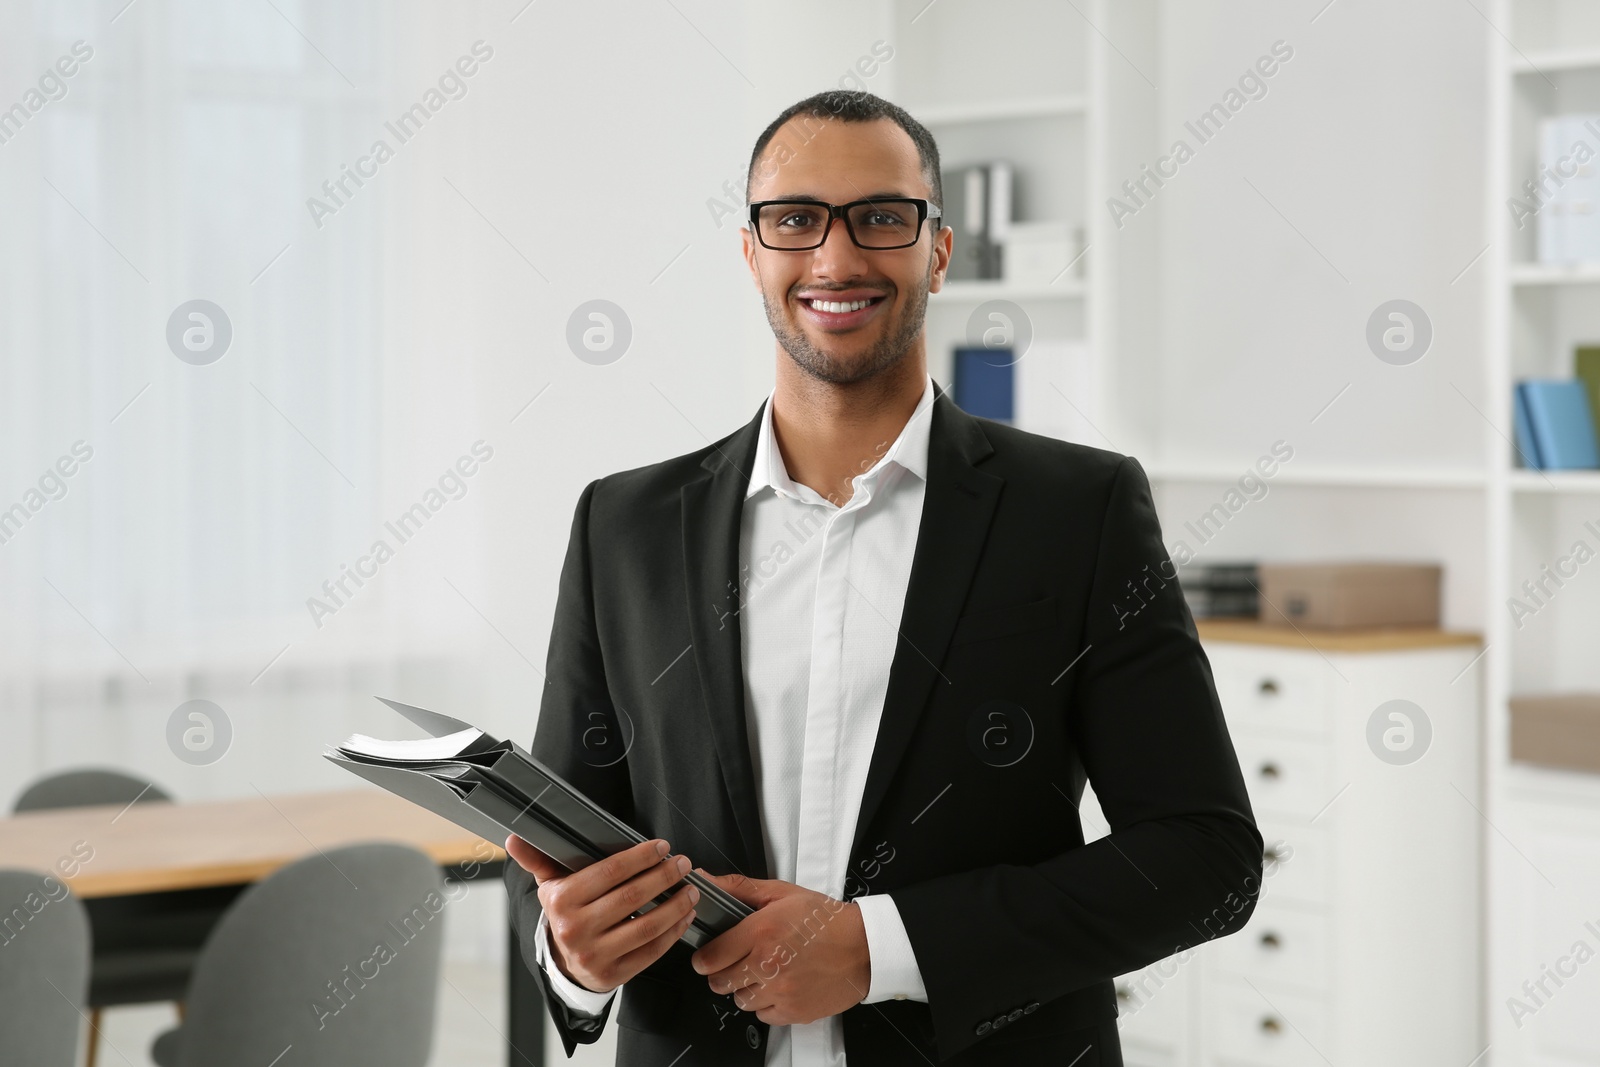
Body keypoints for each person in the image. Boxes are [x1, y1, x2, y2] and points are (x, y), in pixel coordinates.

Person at [504, 89, 1262, 1066]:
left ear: (937, 249)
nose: (836, 257)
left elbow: (1203, 858)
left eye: (881, 217)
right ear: (751, 253)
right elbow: (562, 836)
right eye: (794, 219)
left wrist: (878, 948)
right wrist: (571, 948)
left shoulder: (1078, 510)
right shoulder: (624, 523)